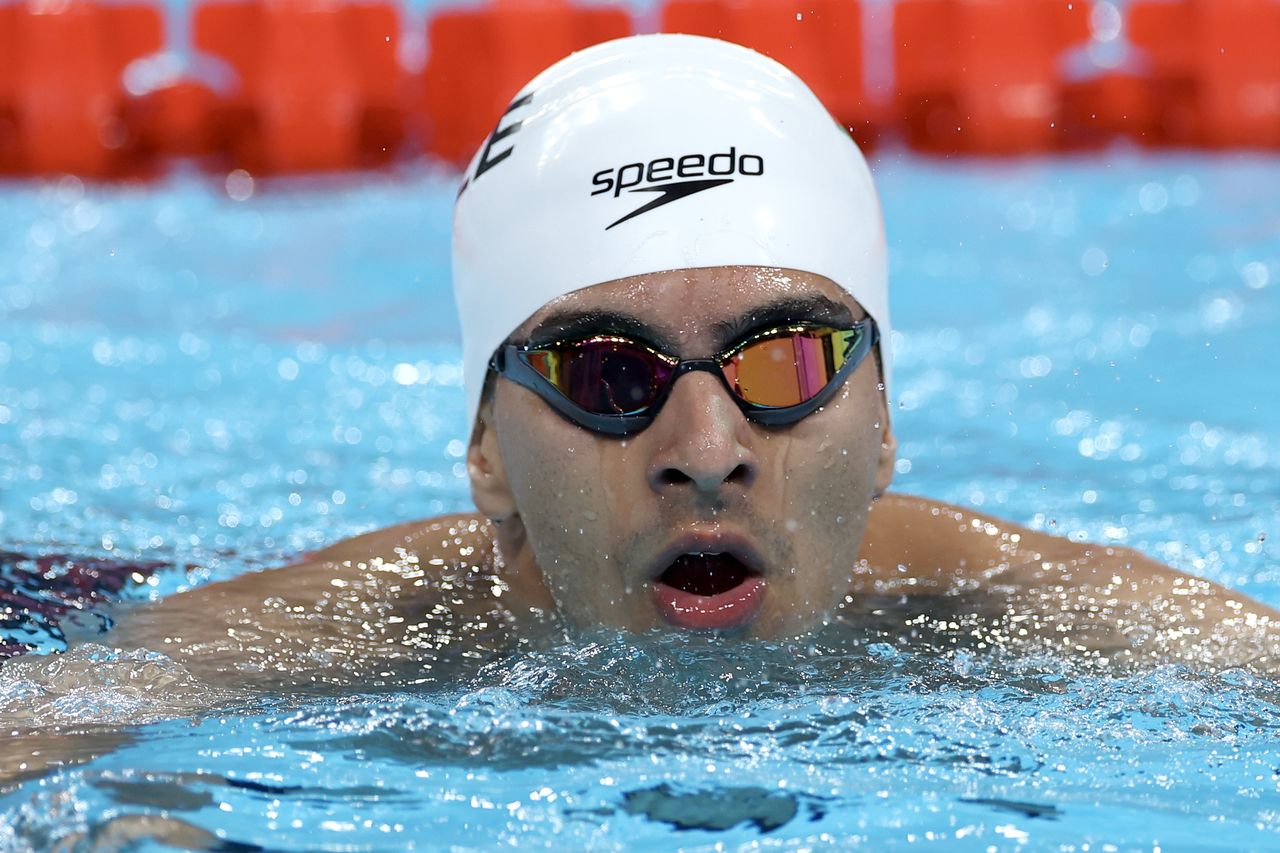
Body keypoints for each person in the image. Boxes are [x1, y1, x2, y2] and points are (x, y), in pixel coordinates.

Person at [103, 33, 1277, 686]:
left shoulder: (1020, 612)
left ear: (881, 424)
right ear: (484, 455)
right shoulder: (278, 654)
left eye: (783, 363)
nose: (706, 453)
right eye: (606, 376)